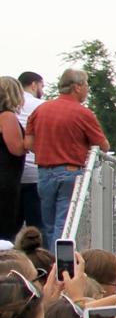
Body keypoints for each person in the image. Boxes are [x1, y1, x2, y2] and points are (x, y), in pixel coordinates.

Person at [24, 69, 110, 246]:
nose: (87, 89)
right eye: (86, 85)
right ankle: (59, 261)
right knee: (64, 225)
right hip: (70, 172)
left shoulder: (41, 110)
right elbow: (103, 146)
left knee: (47, 224)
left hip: (43, 173)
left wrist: (47, 150)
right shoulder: (83, 113)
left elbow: (29, 143)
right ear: (77, 87)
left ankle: (49, 258)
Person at [15, 72, 44, 238]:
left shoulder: (9, 107)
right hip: (35, 171)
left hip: (13, 174)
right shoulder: (41, 106)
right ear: (34, 84)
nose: (42, 91)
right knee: (37, 225)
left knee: (11, 226)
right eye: (41, 86)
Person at [0, 78, 27, 240]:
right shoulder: (7, 117)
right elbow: (16, 149)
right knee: (6, 228)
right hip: (6, 179)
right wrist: (30, 140)